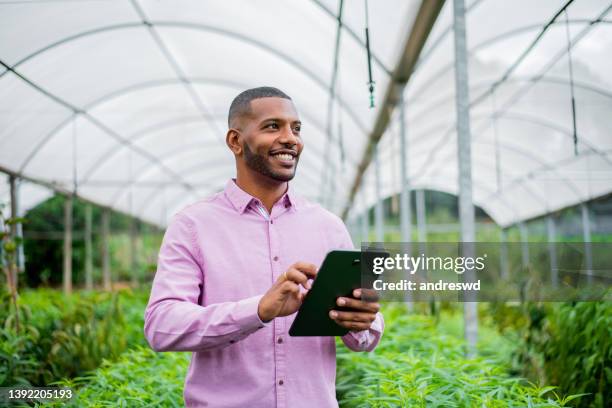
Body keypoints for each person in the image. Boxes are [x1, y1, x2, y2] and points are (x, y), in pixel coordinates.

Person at [144, 87, 384, 408]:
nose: (290, 138)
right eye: (273, 126)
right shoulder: (193, 225)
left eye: (296, 129)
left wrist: (362, 320)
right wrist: (258, 310)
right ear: (235, 141)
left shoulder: (328, 226)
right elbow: (162, 325)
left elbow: (363, 337)